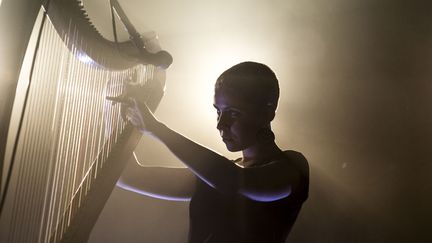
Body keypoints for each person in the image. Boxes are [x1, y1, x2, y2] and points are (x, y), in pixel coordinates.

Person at [116, 61, 309, 243]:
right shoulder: (214, 174)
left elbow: (232, 180)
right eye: (218, 111)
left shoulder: (292, 167)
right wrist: (119, 110)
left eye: (234, 113)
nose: (220, 124)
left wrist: (157, 129)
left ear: (268, 112)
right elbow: (128, 176)